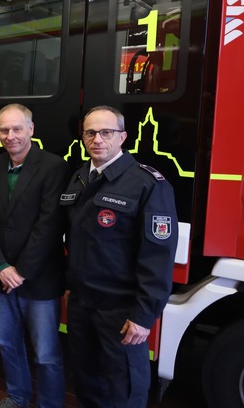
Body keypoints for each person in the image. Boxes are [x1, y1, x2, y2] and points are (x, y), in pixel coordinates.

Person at [60, 105, 178, 408]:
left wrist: (143, 315)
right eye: (90, 132)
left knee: (124, 387)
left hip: (121, 310)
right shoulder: (79, 178)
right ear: (83, 138)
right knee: (86, 380)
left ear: (122, 136)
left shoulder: (147, 183)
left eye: (106, 132)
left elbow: (158, 255)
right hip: (82, 304)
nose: (98, 139)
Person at [0, 104, 68, 408]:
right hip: (3, 276)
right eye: (4, 129)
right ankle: (17, 397)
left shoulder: (53, 166)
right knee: (6, 342)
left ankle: (50, 404)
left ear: (31, 129)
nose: (10, 135)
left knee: (45, 352)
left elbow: (49, 225)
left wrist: (21, 271)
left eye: (17, 128)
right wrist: (1, 266)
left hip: (39, 279)